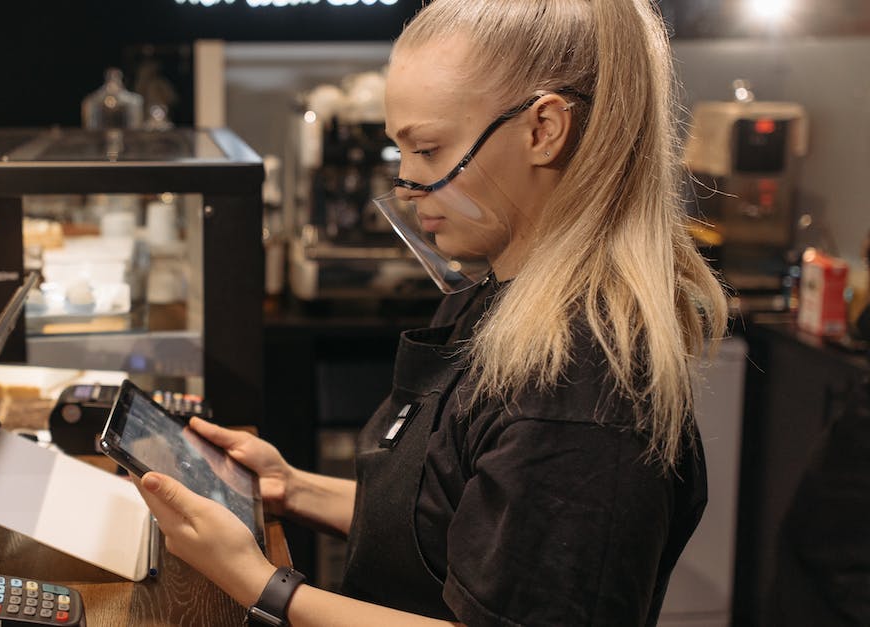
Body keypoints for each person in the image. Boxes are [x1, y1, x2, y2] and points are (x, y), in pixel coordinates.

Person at [134, 0, 728, 624]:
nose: (409, 184)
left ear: (543, 130)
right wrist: (295, 487)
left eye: (429, 150)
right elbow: (459, 512)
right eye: (402, 152)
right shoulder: (502, 298)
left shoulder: (581, 386)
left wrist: (258, 582)